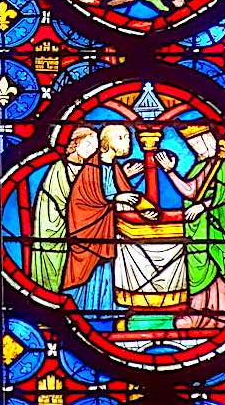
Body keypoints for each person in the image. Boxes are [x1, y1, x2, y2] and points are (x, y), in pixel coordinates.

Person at [156, 125, 225, 330]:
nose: (194, 147)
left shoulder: (224, 163)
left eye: (196, 142)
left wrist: (204, 206)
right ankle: (198, 313)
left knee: (218, 262)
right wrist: (170, 171)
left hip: (215, 226)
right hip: (196, 228)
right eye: (190, 144)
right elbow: (190, 190)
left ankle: (223, 313)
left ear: (208, 139)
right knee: (197, 268)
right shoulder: (200, 166)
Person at [61, 125, 144, 328]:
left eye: (127, 136)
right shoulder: (92, 168)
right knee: (91, 270)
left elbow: (123, 192)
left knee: (106, 267)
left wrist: (143, 209)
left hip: (106, 228)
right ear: (107, 143)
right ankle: (81, 310)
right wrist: (117, 198)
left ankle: (106, 307)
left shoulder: (113, 166)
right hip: (89, 229)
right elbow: (83, 202)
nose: (128, 141)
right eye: (122, 137)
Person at [29, 126, 97, 292]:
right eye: (88, 145)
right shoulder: (59, 168)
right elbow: (64, 200)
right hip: (55, 227)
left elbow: (93, 196)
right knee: (53, 268)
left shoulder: (89, 170)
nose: (93, 151)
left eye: (95, 148)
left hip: (77, 225)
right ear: (74, 144)